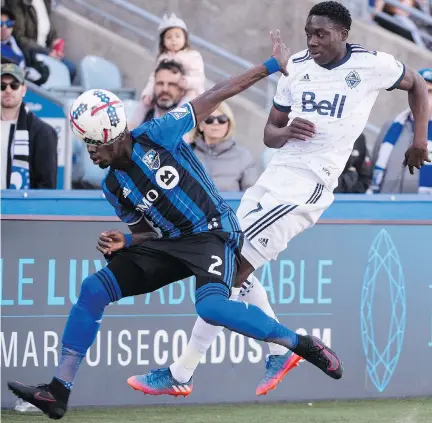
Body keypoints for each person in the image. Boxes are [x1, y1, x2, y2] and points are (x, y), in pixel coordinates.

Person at [7, 30, 344, 421]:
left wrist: (271, 66)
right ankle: (58, 390)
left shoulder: (156, 134)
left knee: (212, 306)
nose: (91, 153)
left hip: (213, 232)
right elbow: (150, 231)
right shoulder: (113, 185)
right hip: (170, 244)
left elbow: (215, 94)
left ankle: (298, 343)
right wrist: (127, 240)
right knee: (92, 289)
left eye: (91, 144)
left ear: (108, 135)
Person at [139, 0, 430, 399]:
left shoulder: (371, 65)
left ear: (344, 34)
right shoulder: (297, 66)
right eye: (309, 32)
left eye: (321, 34)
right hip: (274, 176)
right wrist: (288, 130)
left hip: (307, 185)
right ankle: (276, 350)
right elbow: (269, 134)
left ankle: (184, 370)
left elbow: (416, 82)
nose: (312, 41)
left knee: (224, 267)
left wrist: (419, 140)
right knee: (232, 268)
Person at [130, 13, 205, 129]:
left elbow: (199, 78)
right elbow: (153, 78)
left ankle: (177, 130)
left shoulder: (193, 56)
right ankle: (130, 129)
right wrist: (148, 93)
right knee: (142, 105)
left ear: (185, 38)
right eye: (169, 37)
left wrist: (187, 82)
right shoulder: (163, 57)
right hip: (167, 96)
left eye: (177, 36)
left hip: (190, 92)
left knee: (184, 110)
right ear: (163, 41)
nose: (173, 40)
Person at [372, 67, 432, 193]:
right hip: (384, 206)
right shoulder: (389, 127)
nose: (424, 98)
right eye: (418, 92)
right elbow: (373, 167)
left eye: (430, 92)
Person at [1, 63, 57, 189]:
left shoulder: (43, 132)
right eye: (2, 86)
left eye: (14, 85)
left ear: (24, 89)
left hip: (20, 207)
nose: (8, 90)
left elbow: (46, 186)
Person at [191, 101, 258, 192]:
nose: (215, 123)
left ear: (228, 125)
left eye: (222, 119)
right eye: (209, 119)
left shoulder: (243, 156)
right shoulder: (185, 154)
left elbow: (251, 195)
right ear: (200, 126)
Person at [129, 60, 188, 129]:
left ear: (183, 90)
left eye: (172, 84)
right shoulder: (141, 119)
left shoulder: (191, 124)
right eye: (160, 83)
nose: (165, 89)